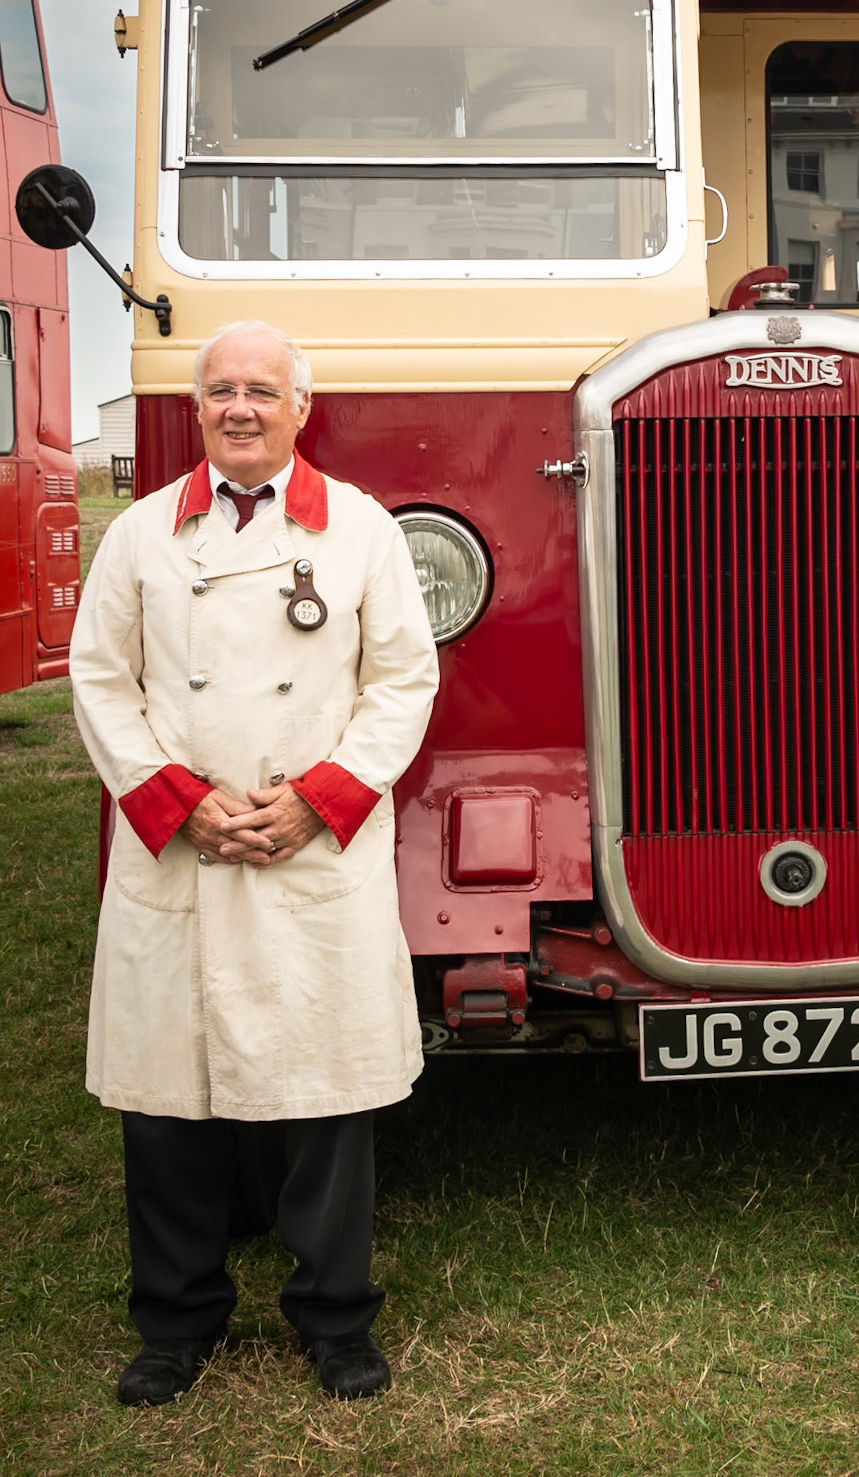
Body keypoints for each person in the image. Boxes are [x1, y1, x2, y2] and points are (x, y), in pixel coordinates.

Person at [69, 321, 439, 1406]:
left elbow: (402, 681)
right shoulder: (138, 534)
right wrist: (177, 803)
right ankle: (176, 1319)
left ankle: (336, 1316)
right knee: (166, 1101)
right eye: (221, 389)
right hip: (179, 850)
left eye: (262, 390)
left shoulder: (361, 528)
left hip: (308, 848)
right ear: (196, 408)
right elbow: (101, 680)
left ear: (300, 408)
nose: (240, 407)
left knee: (328, 1093)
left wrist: (320, 800)